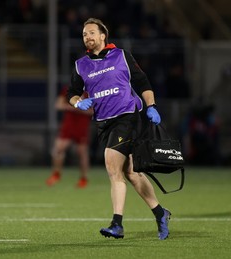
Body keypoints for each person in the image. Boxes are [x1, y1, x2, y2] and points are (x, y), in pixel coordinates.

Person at [67, 18, 171, 240]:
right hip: (104, 122)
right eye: (84, 34)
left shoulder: (121, 56)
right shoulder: (80, 65)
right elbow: (72, 93)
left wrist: (151, 106)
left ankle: (117, 224)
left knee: (112, 167)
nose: (88, 37)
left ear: (103, 36)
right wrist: (77, 102)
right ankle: (161, 213)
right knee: (131, 173)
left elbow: (142, 82)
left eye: (92, 33)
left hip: (127, 116)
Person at [46, 86, 92, 188]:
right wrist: (77, 106)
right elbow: (58, 105)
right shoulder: (69, 89)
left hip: (82, 125)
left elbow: (93, 112)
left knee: (82, 153)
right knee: (58, 149)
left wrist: (81, 109)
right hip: (69, 124)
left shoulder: (91, 91)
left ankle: (83, 178)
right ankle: (56, 174)